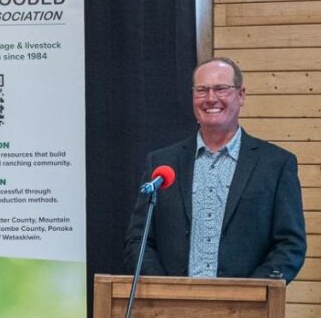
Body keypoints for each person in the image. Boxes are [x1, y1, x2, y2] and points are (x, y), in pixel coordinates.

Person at [124, 57, 306, 282]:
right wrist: (165, 290)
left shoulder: (276, 165)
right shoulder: (162, 163)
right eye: (202, 90)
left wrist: (251, 294)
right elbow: (138, 240)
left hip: (246, 310)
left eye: (221, 89)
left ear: (241, 95)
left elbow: (290, 245)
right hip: (170, 309)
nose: (211, 98)